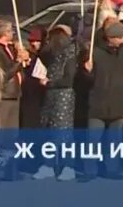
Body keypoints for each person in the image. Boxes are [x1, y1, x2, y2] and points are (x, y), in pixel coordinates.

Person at [84, 22, 123, 179]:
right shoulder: (95, 52)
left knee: (115, 140)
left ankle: (112, 169)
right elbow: (88, 80)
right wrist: (87, 71)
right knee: (93, 139)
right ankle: (89, 170)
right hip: (98, 102)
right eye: (118, 37)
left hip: (120, 101)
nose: (122, 40)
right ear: (109, 38)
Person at [36, 25, 79, 181]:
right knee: (50, 130)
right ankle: (49, 165)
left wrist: (49, 83)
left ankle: (68, 166)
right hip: (53, 95)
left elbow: (69, 79)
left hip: (63, 96)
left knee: (63, 133)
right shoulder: (50, 54)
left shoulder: (69, 53)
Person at [0, 21, 24, 129]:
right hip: (5, 93)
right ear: (5, 33)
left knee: (13, 128)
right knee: (3, 125)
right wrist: (18, 61)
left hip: (15, 92)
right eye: (11, 31)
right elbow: (3, 74)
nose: (13, 33)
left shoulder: (10, 47)